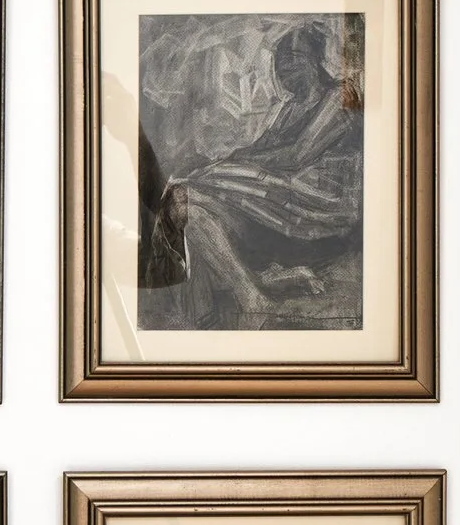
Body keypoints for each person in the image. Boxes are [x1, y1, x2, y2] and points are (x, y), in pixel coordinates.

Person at [140, 19, 364, 331]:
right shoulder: (289, 108)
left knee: (187, 189)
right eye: (279, 62)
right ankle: (249, 294)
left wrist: (232, 168)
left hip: (320, 207)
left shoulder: (339, 97)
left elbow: (296, 155)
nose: (283, 70)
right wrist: (224, 161)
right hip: (283, 201)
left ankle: (255, 287)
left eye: (293, 59)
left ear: (316, 60)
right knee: (182, 203)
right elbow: (258, 149)